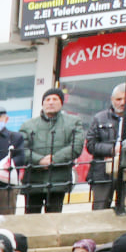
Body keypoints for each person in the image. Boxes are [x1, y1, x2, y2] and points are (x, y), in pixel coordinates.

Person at [20, 87, 83, 215]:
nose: (51, 102)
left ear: (61, 103)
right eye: (47, 99)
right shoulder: (28, 125)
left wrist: (54, 159)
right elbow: (21, 149)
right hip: (33, 180)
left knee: (54, 218)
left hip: (58, 180)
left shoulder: (73, 122)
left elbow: (76, 146)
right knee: (31, 218)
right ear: (42, 103)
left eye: (55, 99)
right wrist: (39, 160)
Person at [86, 84, 126, 212]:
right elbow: (90, 144)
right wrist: (112, 149)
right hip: (103, 171)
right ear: (112, 99)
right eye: (118, 99)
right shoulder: (99, 118)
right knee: (100, 211)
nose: (122, 103)